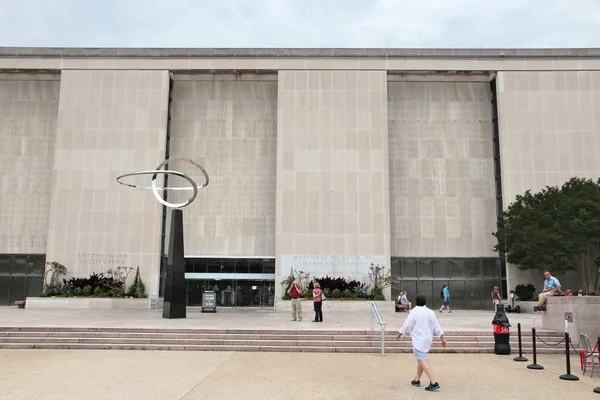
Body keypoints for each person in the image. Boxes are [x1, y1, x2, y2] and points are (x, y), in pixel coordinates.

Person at [396, 294, 447, 392]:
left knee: (422, 359)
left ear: (416, 301)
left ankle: (433, 382)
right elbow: (437, 326)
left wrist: (400, 333)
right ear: (425, 302)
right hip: (427, 339)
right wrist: (442, 337)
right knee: (421, 358)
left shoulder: (414, 312)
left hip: (418, 339)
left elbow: (407, 324)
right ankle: (417, 379)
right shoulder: (430, 312)